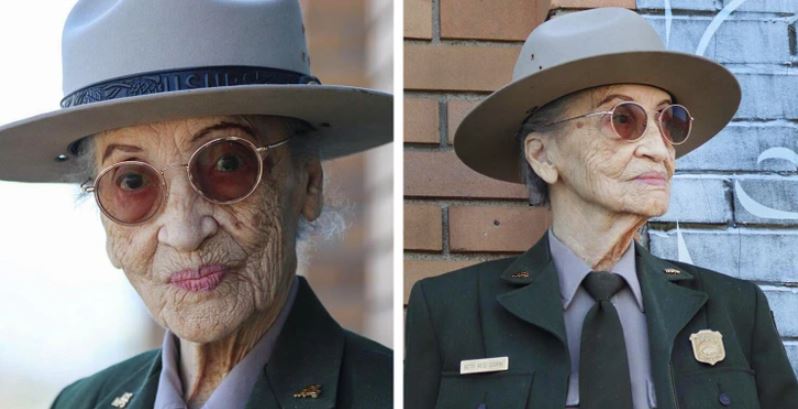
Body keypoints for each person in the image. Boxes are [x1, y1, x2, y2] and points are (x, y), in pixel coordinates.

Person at [0, 1, 392, 408]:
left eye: (227, 164)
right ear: (106, 225)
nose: (185, 234)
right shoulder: (80, 403)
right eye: (132, 181)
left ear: (308, 185)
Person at [405, 7, 798, 409]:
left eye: (670, 122)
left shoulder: (734, 310)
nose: (659, 149)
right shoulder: (449, 312)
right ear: (543, 156)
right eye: (624, 119)